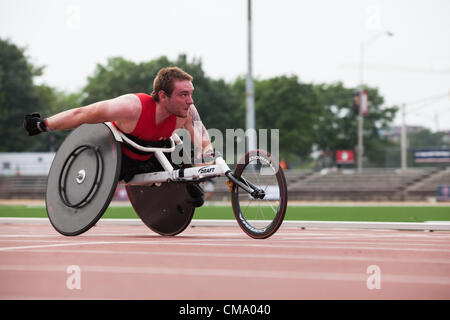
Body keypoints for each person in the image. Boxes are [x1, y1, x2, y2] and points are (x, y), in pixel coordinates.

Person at [23, 67, 213, 207]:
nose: (191, 100)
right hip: (117, 159)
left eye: (191, 94)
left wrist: (202, 169)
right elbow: (82, 114)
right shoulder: (130, 107)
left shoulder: (186, 112)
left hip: (154, 156)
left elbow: (203, 141)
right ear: (163, 96)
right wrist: (44, 125)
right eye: (184, 94)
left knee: (183, 163)